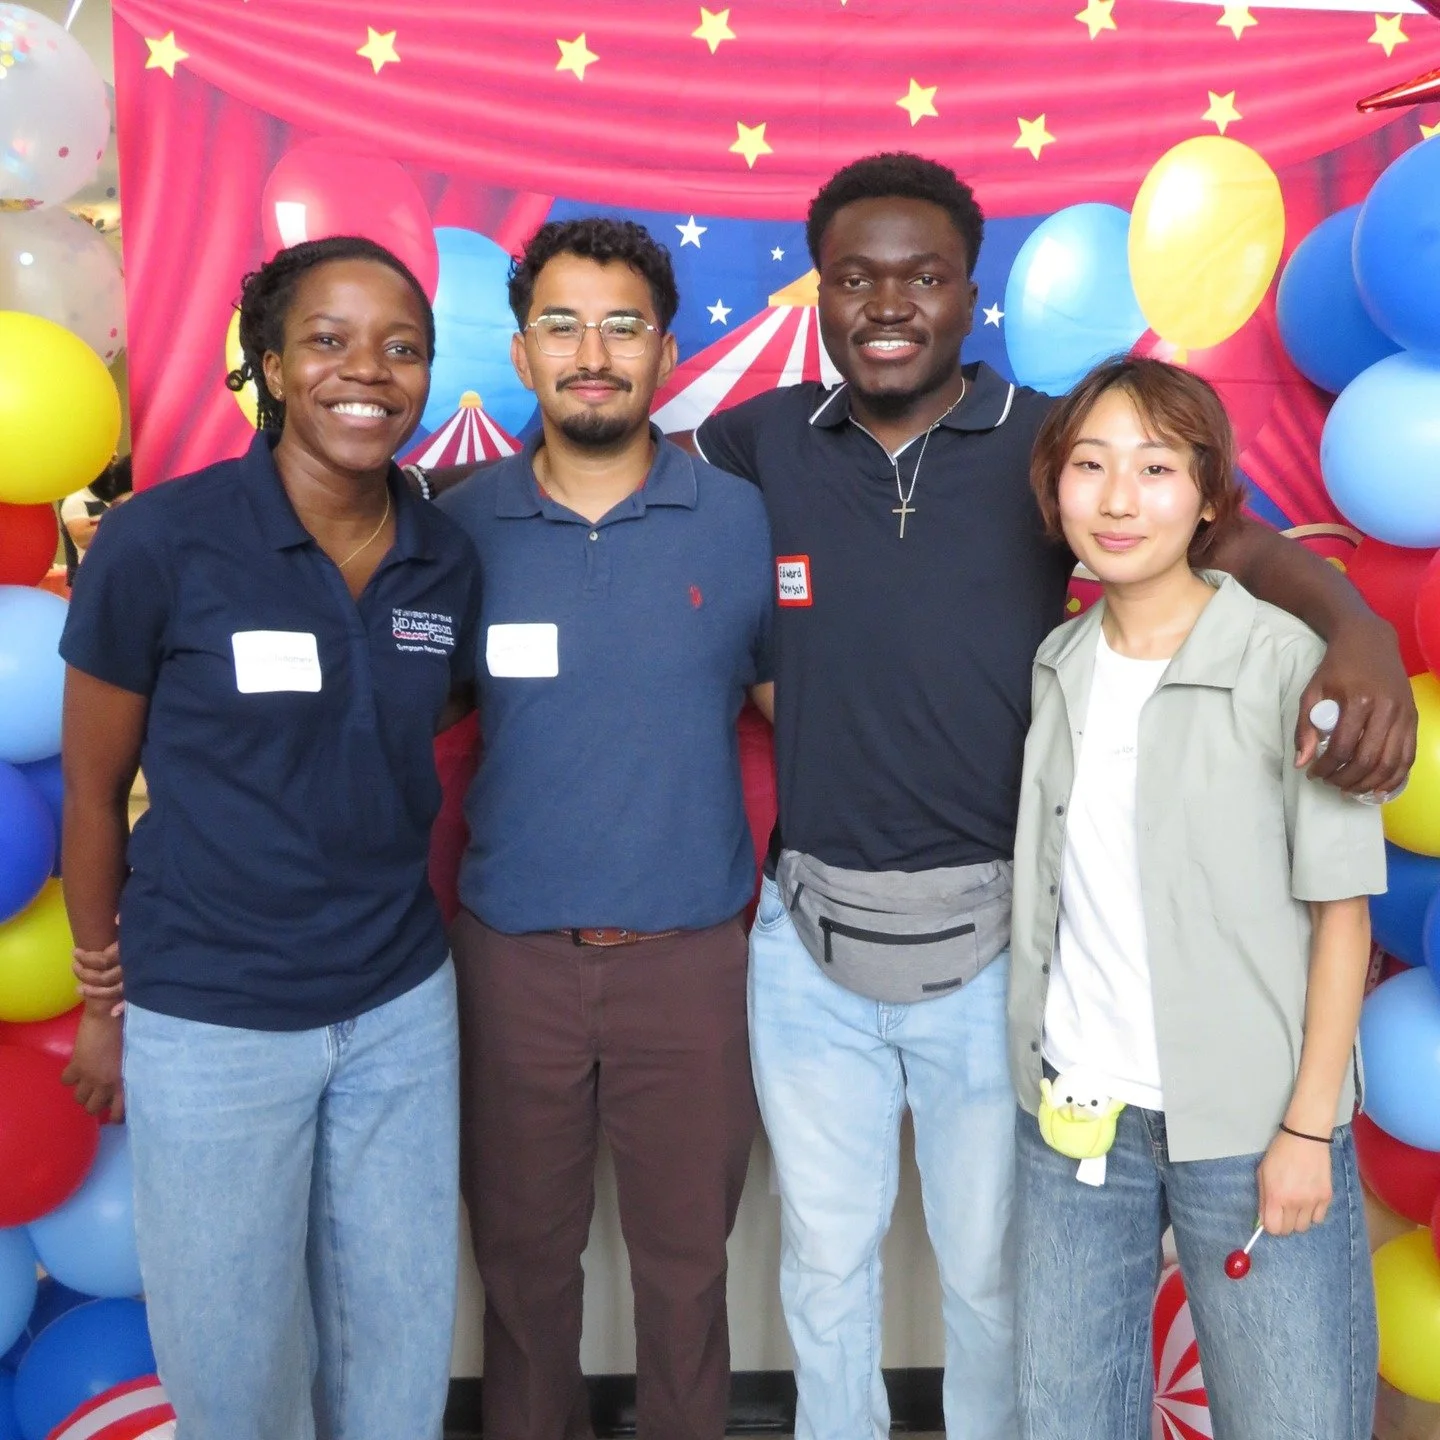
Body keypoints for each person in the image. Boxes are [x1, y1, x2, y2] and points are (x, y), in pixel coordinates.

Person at [686, 152, 1413, 1440]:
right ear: (819, 294)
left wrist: (1354, 630)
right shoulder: (761, 440)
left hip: (1001, 953)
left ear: (976, 295)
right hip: (807, 939)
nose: (890, 302)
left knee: (990, 1284)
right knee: (825, 1264)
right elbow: (623, 490)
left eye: (925, 276)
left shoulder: (1053, 446)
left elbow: (1230, 540)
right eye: (855, 277)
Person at [59, 235, 482, 1440]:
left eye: (402, 348)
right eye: (330, 341)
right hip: (214, 1016)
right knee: (234, 1361)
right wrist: (101, 996)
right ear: (274, 365)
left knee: (396, 1344)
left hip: (400, 1005)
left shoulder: (445, 556)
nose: (369, 371)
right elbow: (93, 793)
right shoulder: (162, 543)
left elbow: (414, 723)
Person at [434, 217, 774, 1440]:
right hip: (509, 958)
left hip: (689, 959)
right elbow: (409, 725)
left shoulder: (738, 520)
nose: (593, 351)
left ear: (664, 351)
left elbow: (810, 718)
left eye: (621, 324)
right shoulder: (454, 531)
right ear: (520, 352)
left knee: (688, 1276)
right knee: (524, 1277)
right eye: (562, 325)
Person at [1009, 356, 1383, 1440]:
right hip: (1078, 1121)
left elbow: (1342, 913)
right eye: (1090, 466)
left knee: (1294, 1418)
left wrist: (1308, 1129)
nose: (1119, 500)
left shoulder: (1285, 662)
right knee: (1066, 1419)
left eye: (1156, 468)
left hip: (1253, 1123)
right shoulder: (1059, 661)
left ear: (1211, 496)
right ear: (1056, 489)